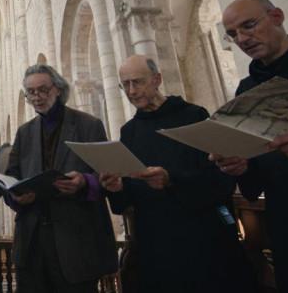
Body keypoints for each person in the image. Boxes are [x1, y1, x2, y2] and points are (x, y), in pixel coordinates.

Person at [100, 55, 255, 293]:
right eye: (125, 85)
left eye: (138, 82)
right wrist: (117, 188)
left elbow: (219, 179)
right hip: (155, 245)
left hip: (203, 241)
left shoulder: (193, 116)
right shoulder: (129, 132)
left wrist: (171, 180)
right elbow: (126, 200)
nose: (131, 91)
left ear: (157, 79)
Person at [211, 0, 288, 292]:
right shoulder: (246, 89)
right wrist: (242, 164)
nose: (242, 39)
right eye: (233, 34)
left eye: (249, 25)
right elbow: (255, 174)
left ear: (278, 16)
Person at [5, 64, 117, 293]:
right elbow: (10, 178)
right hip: (32, 244)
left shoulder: (88, 125)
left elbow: (109, 176)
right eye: (31, 92)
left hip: (76, 244)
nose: (37, 97)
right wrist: (16, 197)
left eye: (43, 90)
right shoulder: (24, 133)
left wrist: (85, 181)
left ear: (58, 89)